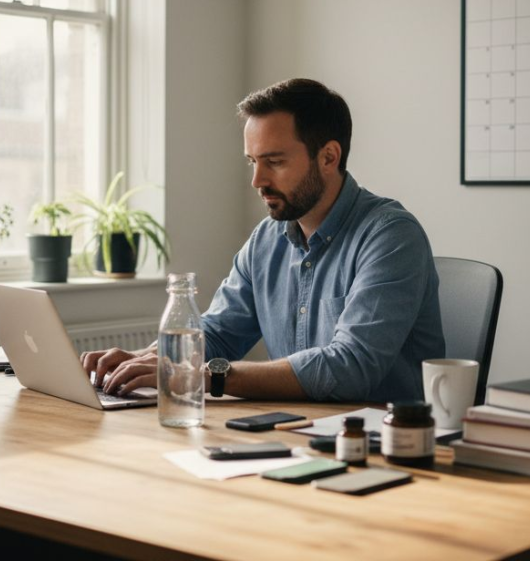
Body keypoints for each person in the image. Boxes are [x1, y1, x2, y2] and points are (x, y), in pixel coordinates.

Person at [81, 78, 444, 402]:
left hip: (383, 446)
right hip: (292, 433)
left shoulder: (391, 236)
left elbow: (349, 368)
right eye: (252, 161)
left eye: (274, 161)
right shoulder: (268, 238)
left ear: (329, 157)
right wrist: (151, 359)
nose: (257, 180)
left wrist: (206, 377)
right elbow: (220, 333)